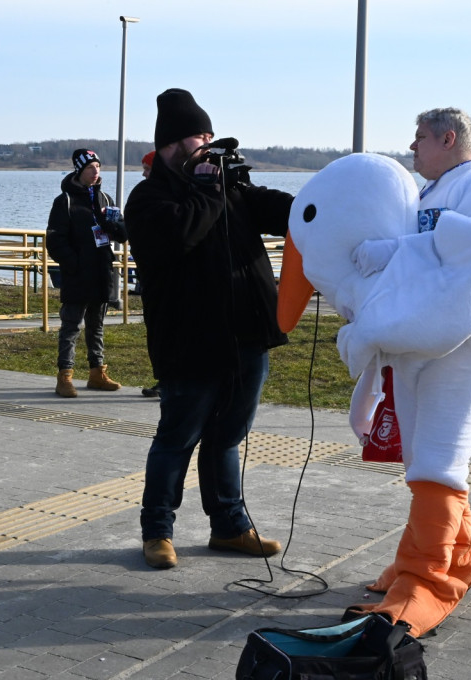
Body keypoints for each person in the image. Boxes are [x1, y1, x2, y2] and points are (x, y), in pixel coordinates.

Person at [335, 108, 471, 636]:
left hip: (463, 350)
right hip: (421, 351)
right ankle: (451, 557)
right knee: (422, 458)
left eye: (419, 138)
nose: (412, 147)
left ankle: (427, 582)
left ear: (448, 138)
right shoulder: (429, 195)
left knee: (438, 463)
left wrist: (395, 249)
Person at [125, 88, 293, 569]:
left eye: (210, 137)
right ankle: (157, 530)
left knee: (228, 436)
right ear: (172, 144)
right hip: (189, 340)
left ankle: (230, 527)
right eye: (200, 136)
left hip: (247, 336)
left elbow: (279, 210)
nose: (207, 145)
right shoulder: (148, 198)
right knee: (177, 438)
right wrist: (208, 189)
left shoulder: (227, 187)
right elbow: (181, 236)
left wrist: (327, 205)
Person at [45, 149, 128, 398]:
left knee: (97, 326)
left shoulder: (105, 198)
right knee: (71, 327)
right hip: (77, 275)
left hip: (101, 273)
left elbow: (123, 235)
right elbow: (55, 241)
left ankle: (97, 373)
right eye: (91, 167)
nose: (96, 172)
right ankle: (65, 376)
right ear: (79, 171)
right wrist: (73, 264)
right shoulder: (65, 202)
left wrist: (111, 225)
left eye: (98, 167)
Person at [136, 150, 161, 400]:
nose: (143, 174)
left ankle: (169, 380)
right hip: (151, 279)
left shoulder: (163, 197)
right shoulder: (147, 196)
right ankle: (165, 378)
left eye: (147, 168)